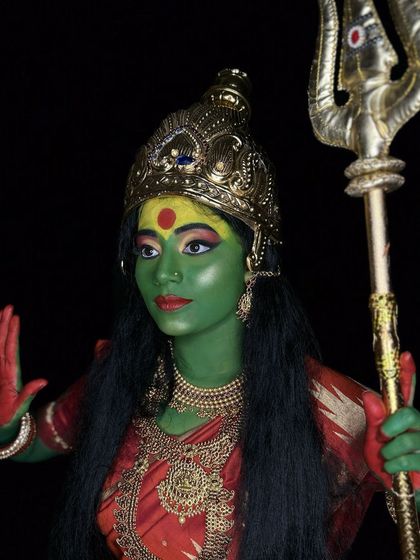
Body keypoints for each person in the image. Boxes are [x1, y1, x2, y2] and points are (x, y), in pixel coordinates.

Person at [1, 69, 420, 560]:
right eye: (148, 250)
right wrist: (9, 431)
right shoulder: (120, 378)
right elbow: (41, 437)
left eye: (196, 246)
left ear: (253, 260)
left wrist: (410, 488)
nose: (165, 273)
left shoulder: (340, 414)